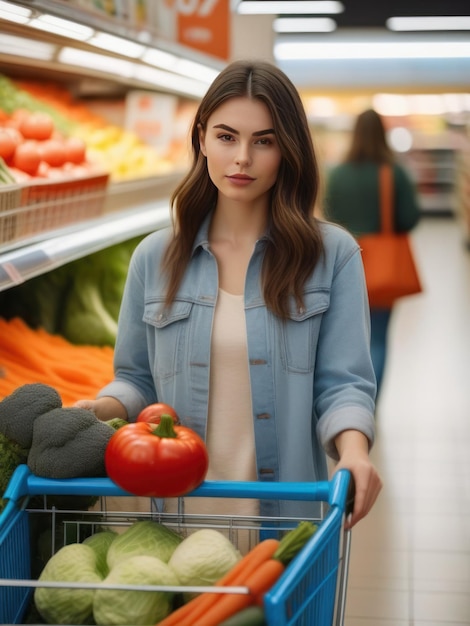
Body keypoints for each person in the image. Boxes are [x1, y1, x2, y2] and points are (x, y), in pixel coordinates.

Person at [76, 60, 381, 529]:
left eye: (264, 141)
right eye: (226, 137)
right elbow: (137, 379)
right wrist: (100, 408)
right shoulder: (154, 257)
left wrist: (354, 453)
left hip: (282, 526)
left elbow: (343, 385)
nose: (242, 158)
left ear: (288, 150)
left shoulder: (332, 255)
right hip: (177, 527)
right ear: (201, 138)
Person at [324, 108, 421, 396]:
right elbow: (410, 218)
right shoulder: (394, 173)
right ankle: (369, 404)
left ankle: (345, 399)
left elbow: (330, 216)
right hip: (382, 269)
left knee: (344, 338)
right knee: (377, 338)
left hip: (343, 263)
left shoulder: (338, 174)